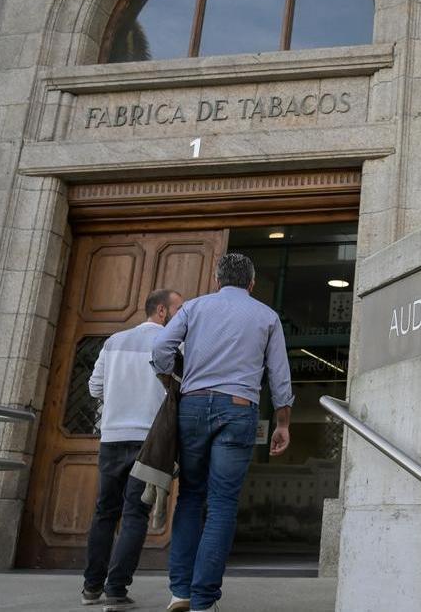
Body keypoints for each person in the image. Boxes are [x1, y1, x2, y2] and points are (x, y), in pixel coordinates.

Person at [151, 253, 293, 612]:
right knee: (222, 505)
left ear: (217, 281)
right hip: (239, 408)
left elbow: (160, 348)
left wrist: (170, 376)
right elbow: (279, 375)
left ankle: (180, 591)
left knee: (190, 498)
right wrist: (283, 422)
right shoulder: (267, 316)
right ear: (252, 283)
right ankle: (203, 600)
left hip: (193, 406)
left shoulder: (194, 308)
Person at [83, 289, 185, 611]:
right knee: (134, 514)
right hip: (150, 441)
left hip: (112, 436)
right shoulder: (174, 345)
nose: (182, 315)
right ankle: (116, 590)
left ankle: (90, 588)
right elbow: (181, 390)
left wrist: (119, 398)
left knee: (104, 511)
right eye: (178, 309)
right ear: (161, 311)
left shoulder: (113, 341)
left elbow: (94, 388)